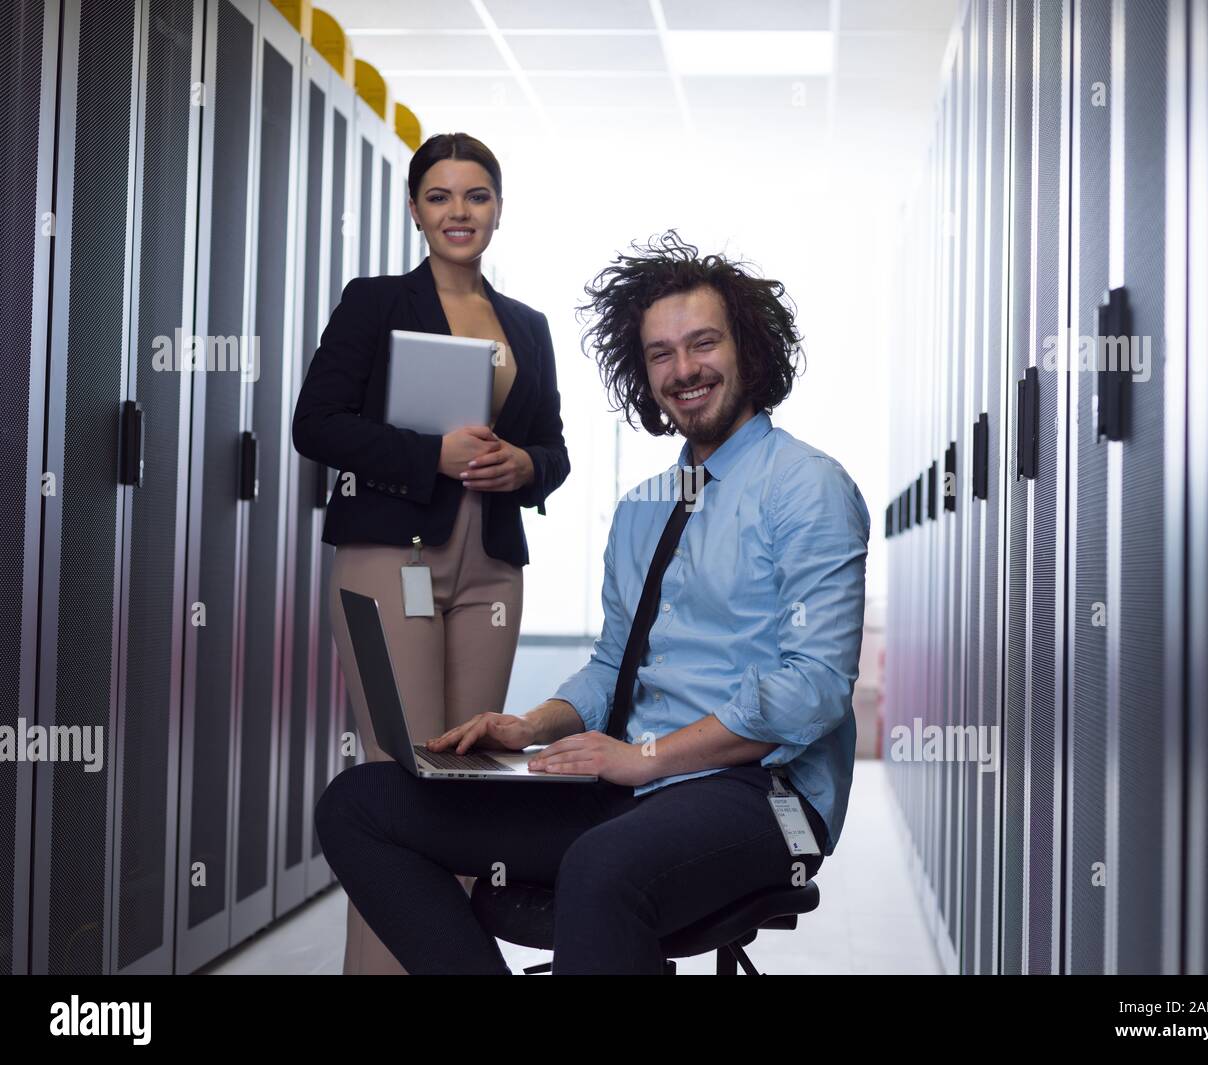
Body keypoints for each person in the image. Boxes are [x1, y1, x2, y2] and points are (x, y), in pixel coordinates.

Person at [313, 230, 870, 975]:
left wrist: (646, 757)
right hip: (633, 782)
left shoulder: (808, 487)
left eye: (703, 344)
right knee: (361, 803)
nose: (683, 370)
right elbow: (614, 665)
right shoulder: (644, 508)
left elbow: (813, 690)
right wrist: (528, 724)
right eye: (660, 354)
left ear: (749, 351)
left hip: (765, 792)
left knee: (601, 866)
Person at [292, 132, 570, 974]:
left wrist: (527, 466)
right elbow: (318, 423)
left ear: (497, 208)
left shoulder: (528, 323)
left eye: (476, 196)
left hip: (489, 564)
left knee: (464, 785)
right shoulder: (375, 302)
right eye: (441, 196)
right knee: (400, 784)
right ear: (415, 208)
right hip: (390, 563)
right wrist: (429, 457)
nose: (460, 212)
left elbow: (553, 448)